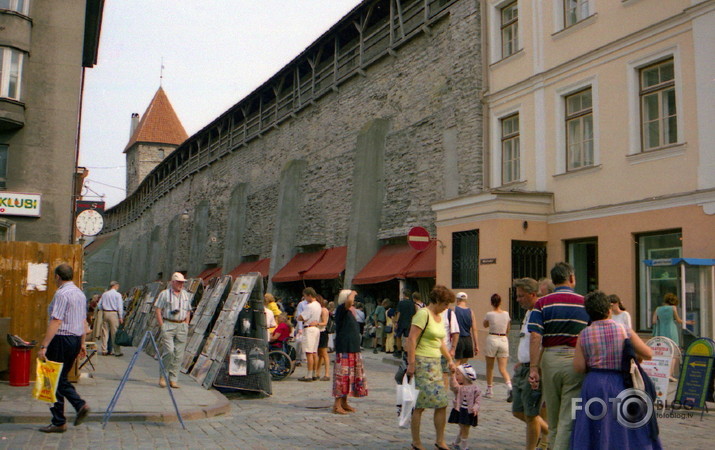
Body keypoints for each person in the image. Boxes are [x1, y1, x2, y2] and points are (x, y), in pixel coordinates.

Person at [571, 291, 661, 449]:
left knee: (595, 425)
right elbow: (648, 353)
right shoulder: (623, 329)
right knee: (621, 427)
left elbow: (578, 367)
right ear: (608, 310)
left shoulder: (584, 334)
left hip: (594, 383)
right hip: (619, 381)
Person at [528, 262, 589, 450]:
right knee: (568, 417)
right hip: (575, 360)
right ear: (571, 278)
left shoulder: (542, 303)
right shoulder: (584, 302)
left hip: (550, 360)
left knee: (552, 418)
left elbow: (536, 336)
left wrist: (533, 367)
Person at [37, 263, 91, 433]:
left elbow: (56, 320)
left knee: (54, 380)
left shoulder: (62, 294)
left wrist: (44, 345)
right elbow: (83, 320)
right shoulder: (80, 294)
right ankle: (61, 418)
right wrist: (82, 343)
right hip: (74, 339)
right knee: (61, 379)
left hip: (61, 339)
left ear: (57, 277)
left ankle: (75, 407)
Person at [406, 285, 457, 450]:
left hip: (435, 363)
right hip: (422, 362)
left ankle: (440, 440)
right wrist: (411, 363)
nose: (446, 307)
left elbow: (440, 341)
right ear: (437, 301)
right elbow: (412, 339)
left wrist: (449, 359)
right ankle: (416, 441)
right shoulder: (423, 314)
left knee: (441, 402)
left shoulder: (440, 317)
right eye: (445, 304)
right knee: (420, 404)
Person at [512, 278, 549, 450]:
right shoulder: (528, 313)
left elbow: (540, 341)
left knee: (531, 414)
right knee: (518, 410)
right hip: (523, 367)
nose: (518, 299)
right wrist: (522, 361)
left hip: (533, 369)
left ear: (532, 295)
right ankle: (550, 431)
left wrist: (536, 366)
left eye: (521, 296)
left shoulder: (540, 312)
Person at [332, 289, 368, 414]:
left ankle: (344, 402)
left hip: (353, 347)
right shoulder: (342, 308)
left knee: (350, 376)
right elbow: (349, 302)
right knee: (342, 376)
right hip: (344, 348)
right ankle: (337, 405)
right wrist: (352, 292)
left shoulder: (350, 311)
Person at [155, 272, 192, 388]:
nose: (181, 285)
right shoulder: (164, 294)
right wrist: (162, 325)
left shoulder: (186, 295)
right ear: (173, 282)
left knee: (179, 354)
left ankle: (173, 378)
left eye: (182, 283)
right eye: (179, 282)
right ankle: (163, 376)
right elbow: (158, 309)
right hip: (169, 324)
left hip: (181, 325)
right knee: (169, 351)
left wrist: (186, 323)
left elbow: (188, 310)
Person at [483, 293, 512, 401]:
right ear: (500, 302)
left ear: (491, 303)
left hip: (492, 338)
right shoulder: (506, 314)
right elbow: (508, 329)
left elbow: (485, 325)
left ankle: (489, 389)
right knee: (503, 368)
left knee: (490, 367)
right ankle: (509, 386)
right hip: (503, 339)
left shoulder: (489, 314)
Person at [448, 363, 481, 450]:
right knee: (463, 428)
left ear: (465, 376)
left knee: (464, 428)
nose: (456, 377)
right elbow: (453, 386)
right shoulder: (459, 387)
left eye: (458, 374)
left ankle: (458, 444)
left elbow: (478, 401)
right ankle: (463, 446)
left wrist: (476, 407)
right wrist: (452, 375)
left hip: (469, 412)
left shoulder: (475, 388)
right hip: (459, 410)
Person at [296, 287, 322, 381]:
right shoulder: (318, 305)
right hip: (316, 329)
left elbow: (301, 317)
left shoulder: (310, 306)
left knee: (309, 353)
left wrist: (299, 317)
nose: (305, 299)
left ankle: (309, 374)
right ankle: (315, 373)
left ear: (309, 295)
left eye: (305, 296)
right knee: (315, 352)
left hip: (309, 329)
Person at [98, 281, 124, 356]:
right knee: (114, 333)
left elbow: (99, 305)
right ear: (115, 286)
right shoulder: (117, 295)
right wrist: (120, 316)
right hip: (114, 313)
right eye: (118, 286)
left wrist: (103, 309)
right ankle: (117, 351)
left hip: (105, 313)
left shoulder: (105, 294)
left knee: (104, 332)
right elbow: (120, 306)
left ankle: (104, 350)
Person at [454, 292, 479, 365]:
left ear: (457, 300)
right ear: (466, 300)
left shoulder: (454, 309)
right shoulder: (471, 311)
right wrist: (476, 345)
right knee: (464, 363)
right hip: (468, 339)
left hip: (458, 339)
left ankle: (454, 375)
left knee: (457, 362)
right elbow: (474, 329)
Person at [395, 291, 422, 358]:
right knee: (407, 337)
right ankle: (406, 351)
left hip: (401, 322)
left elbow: (398, 313)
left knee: (398, 337)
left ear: (404, 295)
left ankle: (399, 351)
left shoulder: (401, 303)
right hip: (409, 323)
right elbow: (415, 313)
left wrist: (396, 322)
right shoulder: (412, 304)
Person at [441, 303, 460, 389]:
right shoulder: (428, 312)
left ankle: (443, 398)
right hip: (430, 351)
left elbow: (455, 332)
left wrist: (453, 349)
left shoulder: (449, 313)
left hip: (445, 350)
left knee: (444, 374)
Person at [316, 297, 331, 381]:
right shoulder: (319, 310)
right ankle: (317, 372)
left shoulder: (324, 310)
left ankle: (327, 373)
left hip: (323, 332)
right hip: (319, 332)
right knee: (320, 354)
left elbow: (324, 322)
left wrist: (316, 323)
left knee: (324, 353)